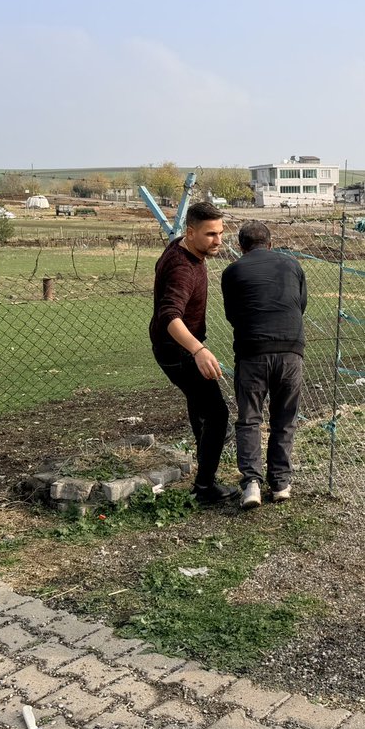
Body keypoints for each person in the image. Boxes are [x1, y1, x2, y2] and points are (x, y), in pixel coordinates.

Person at [149, 201, 237, 503]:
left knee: (202, 408)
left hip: (176, 347)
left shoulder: (182, 248)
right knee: (217, 413)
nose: (219, 240)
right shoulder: (183, 268)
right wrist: (198, 349)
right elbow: (169, 316)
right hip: (178, 351)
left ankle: (204, 470)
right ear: (191, 232)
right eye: (211, 234)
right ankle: (205, 488)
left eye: (221, 232)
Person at [221, 220, 307, 509]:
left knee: (250, 418)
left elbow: (232, 314)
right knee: (285, 418)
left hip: (252, 352)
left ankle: (251, 485)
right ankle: (281, 483)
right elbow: (300, 304)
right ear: (271, 244)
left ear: (241, 247)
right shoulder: (293, 266)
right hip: (291, 351)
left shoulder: (232, 271)